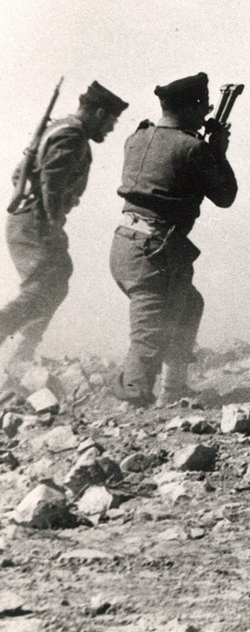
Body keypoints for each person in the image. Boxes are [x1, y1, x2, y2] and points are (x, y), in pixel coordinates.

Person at [110, 73, 237, 406]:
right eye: (204, 106)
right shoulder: (192, 148)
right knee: (148, 335)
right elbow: (225, 197)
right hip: (155, 252)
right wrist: (219, 153)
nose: (207, 112)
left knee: (188, 305)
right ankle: (132, 406)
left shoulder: (136, 137)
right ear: (192, 107)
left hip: (128, 244)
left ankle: (172, 390)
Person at [1, 82, 128, 368]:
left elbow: (18, 174)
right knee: (44, 285)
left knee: (54, 282)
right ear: (98, 113)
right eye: (111, 121)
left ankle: (20, 354)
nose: (110, 129)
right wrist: (53, 223)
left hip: (29, 218)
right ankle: (14, 348)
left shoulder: (58, 128)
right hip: (36, 221)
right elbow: (52, 184)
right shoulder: (71, 134)